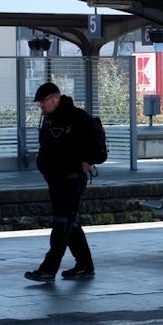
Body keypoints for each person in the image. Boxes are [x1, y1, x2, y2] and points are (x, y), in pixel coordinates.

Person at [24, 83, 96, 282]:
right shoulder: (49, 119)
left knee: (62, 223)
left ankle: (48, 269)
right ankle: (85, 265)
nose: (41, 107)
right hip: (56, 179)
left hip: (71, 178)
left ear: (55, 98)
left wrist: (88, 161)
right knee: (70, 223)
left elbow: (96, 140)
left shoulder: (77, 117)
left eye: (43, 103)